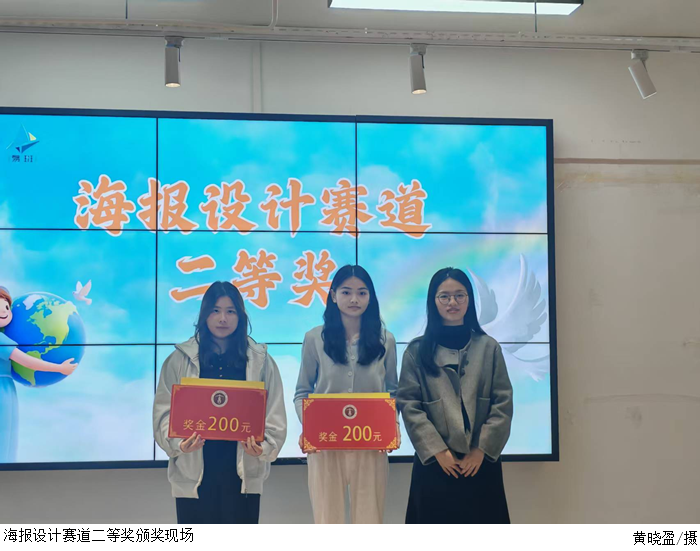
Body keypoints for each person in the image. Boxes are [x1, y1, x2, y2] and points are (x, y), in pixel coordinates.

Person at [153, 281, 287, 524]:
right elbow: (163, 414)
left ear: (241, 316)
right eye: (215, 310)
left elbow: (274, 413)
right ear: (204, 314)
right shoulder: (179, 360)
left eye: (230, 311)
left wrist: (264, 447)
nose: (222, 318)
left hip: (242, 476)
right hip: (194, 476)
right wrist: (179, 444)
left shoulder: (260, 361)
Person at [397, 268, 513, 524]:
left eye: (460, 295)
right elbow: (409, 405)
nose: (452, 302)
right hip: (435, 465)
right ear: (433, 301)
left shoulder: (488, 347)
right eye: (444, 296)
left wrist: (481, 450)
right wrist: (438, 451)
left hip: (480, 463)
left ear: (469, 299)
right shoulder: (416, 351)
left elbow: (502, 403)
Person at [294, 265, 398, 524]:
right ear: (333, 295)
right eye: (346, 292)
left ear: (370, 297)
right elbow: (303, 391)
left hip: (371, 444)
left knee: (370, 521)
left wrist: (391, 427)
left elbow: (393, 392)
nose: (354, 299)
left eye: (362, 293)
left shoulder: (386, 340)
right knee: (328, 520)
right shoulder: (314, 338)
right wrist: (309, 427)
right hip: (325, 445)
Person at [0, 286, 76, 463]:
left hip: (6, 387)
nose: (4, 312)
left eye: (6, 307)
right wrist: (59, 368)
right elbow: (26, 361)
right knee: (5, 437)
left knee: (7, 436)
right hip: (2, 390)